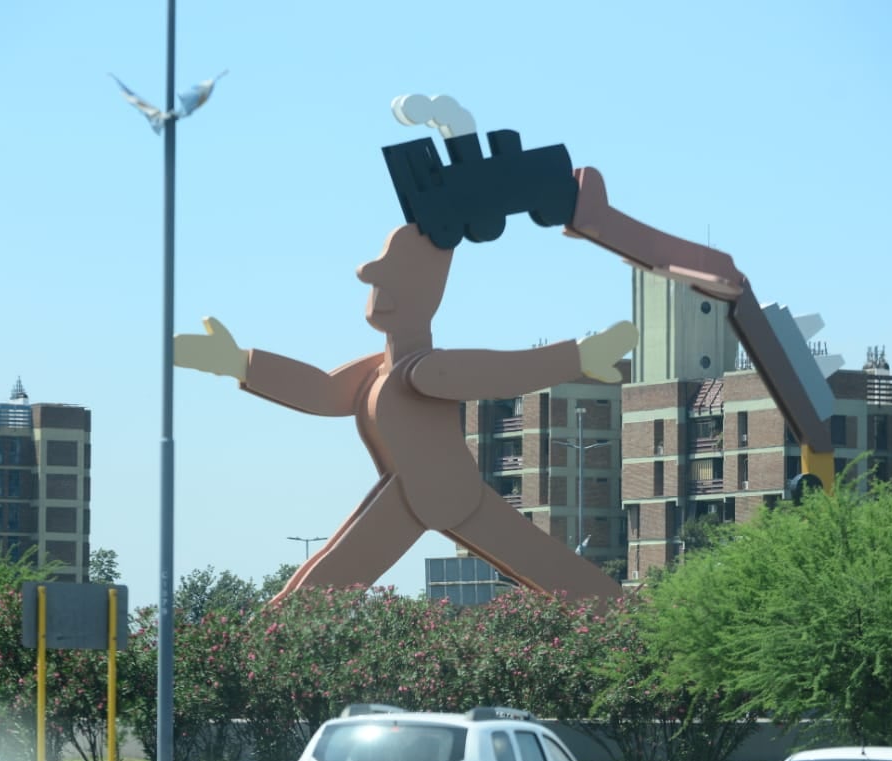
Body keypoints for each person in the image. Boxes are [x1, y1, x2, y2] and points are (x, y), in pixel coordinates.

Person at [175, 223, 634, 605]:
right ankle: (634, 632)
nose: (377, 292)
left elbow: (503, 371)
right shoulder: (377, 372)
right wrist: (238, 362)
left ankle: (249, 662)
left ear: (420, 292)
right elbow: (321, 390)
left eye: (387, 280)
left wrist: (579, 357)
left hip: (438, 493)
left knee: (323, 589)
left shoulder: (430, 371)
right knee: (323, 583)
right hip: (414, 491)